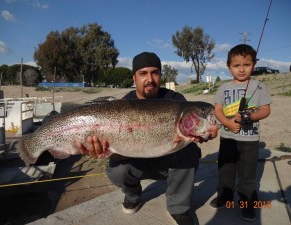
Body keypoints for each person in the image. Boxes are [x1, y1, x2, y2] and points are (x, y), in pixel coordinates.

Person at [76, 52, 218, 225]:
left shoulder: (176, 101)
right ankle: (133, 195)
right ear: (134, 78)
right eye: (143, 73)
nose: (150, 79)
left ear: (160, 75)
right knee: (115, 169)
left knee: (191, 152)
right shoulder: (123, 105)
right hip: (136, 161)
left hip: (168, 161)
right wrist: (101, 151)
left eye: (155, 72)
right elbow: (116, 154)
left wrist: (203, 132)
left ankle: (178, 208)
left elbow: (195, 133)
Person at [209, 44, 271, 222]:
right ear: (229, 67)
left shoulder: (259, 86)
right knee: (225, 171)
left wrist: (251, 116)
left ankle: (248, 202)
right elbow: (217, 110)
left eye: (247, 64)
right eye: (236, 65)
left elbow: (266, 110)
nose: (242, 69)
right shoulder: (224, 88)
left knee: (247, 175)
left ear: (254, 64)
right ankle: (225, 196)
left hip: (250, 140)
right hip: (228, 138)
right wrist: (228, 122)